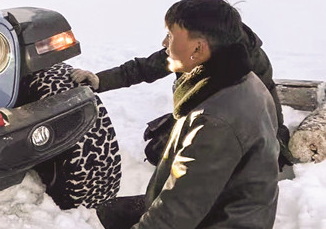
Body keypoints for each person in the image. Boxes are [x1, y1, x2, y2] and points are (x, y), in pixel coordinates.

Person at [84, 0, 279, 229]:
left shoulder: (216, 120)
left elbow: (184, 205)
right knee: (107, 212)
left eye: (171, 36)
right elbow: (191, 186)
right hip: (215, 205)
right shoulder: (230, 73)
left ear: (198, 49)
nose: (164, 44)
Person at [71, 18, 292, 169]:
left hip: (232, 132)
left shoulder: (249, 67)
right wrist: (100, 80)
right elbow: (143, 68)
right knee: (157, 152)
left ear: (200, 43)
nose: (164, 43)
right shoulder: (188, 52)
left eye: (171, 36)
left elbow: (266, 106)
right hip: (204, 119)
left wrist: (275, 140)